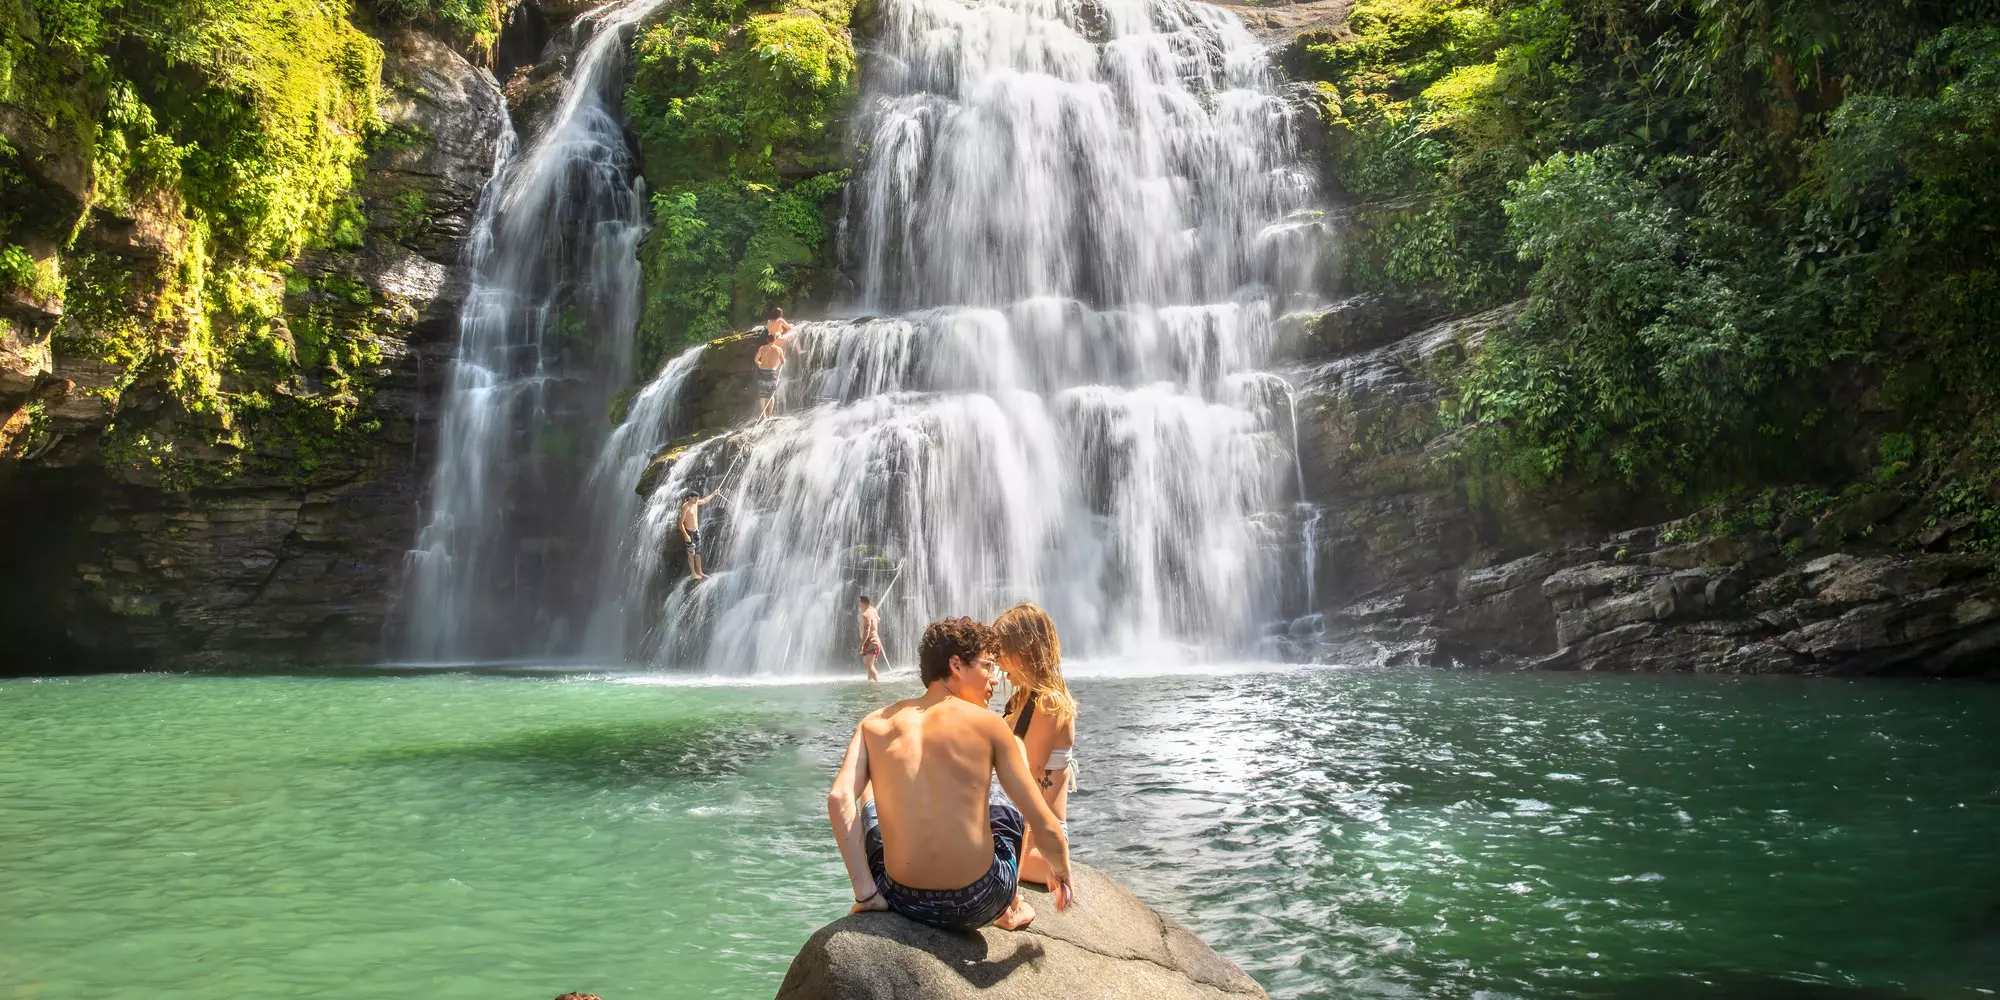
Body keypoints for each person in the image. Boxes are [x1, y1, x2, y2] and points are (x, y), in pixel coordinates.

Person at [826, 617, 1075, 932]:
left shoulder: (874, 723)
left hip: (901, 898)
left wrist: (867, 893)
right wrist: (1063, 873)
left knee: (870, 790)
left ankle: (873, 891)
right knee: (1016, 754)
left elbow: (838, 799)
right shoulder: (990, 725)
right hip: (982, 898)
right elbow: (1041, 821)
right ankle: (1012, 905)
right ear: (956, 665)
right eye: (987, 666)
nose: (995, 679)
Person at [993, 602, 1078, 890]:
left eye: (1003, 652)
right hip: (1015, 823)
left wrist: (1015, 862)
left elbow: (1027, 783)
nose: (998, 662)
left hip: (1039, 838)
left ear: (1026, 650)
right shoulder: (1019, 700)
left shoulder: (1049, 703)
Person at [754, 309, 796, 421]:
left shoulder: (762, 348)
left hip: (762, 372)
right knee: (771, 395)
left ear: (767, 339)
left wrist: (759, 364)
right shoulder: (778, 350)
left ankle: (763, 416)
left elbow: (756, 359)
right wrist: (783, 361)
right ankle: (769, 415)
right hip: (771, 373)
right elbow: (782, 361)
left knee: (762, 395)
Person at [677, 487, 722, 580]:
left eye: (697, 499)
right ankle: (694, 574)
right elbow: (680, 524)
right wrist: (686, 536)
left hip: (696, 531)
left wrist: (714, 493)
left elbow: (705, 500)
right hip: (689, 532)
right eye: (695, 498)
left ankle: (700, 572)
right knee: (691, 553)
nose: (696, 500)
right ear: (690, 497)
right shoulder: (685, 507)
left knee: (698, 553)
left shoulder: (696, 503)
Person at [857, 594, 884, 682]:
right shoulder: (873, 610)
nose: (859, 604)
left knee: (869, 665)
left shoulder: (866, 614)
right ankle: (870, 688)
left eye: (859, 602)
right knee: (869, 667)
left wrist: (861, 645)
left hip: (870, 642)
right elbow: (878, 619)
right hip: (875, 642)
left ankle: (876, 687)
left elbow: (866, 631)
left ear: (862, 603)